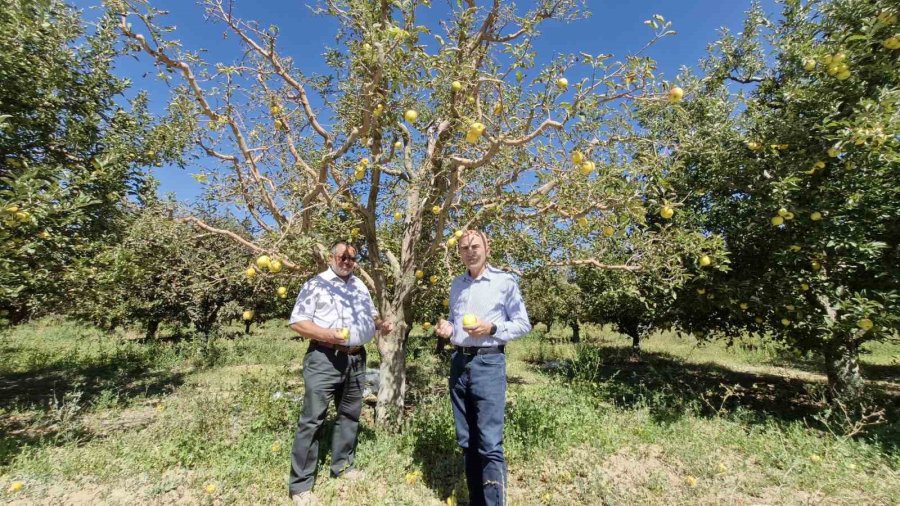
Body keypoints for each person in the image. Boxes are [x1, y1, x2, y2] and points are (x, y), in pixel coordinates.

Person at [287, 240, 393, 505]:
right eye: (342, 256)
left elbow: (369, 317)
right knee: (313, 419)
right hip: (325, 357)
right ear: (330, 257)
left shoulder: (359, 286)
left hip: (357, 358)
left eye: (352, 258)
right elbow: (297, 322)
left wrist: (380, 325)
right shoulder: (316, 285)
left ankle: (342, 466)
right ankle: (300, 485)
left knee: (349, 415)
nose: (347, 261)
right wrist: (327, 334)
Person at [435, 230, 531, 506]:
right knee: (466, 440)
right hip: (459, 362)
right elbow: (455, 326)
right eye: (464, 247)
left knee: (489, 443)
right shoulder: (457, 285)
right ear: (459, 253)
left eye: (475, 246)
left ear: (487, 248)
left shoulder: (503, 282)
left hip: (489, 362)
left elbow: (523, 324)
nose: (470, 251)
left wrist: (491, 327)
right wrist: (447, 329)